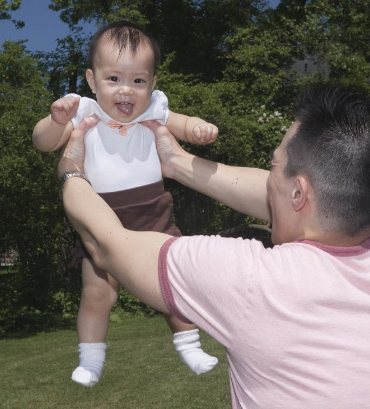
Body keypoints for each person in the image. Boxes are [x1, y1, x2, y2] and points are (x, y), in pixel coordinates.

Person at [57, 85, 370, 408]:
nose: (267, 178)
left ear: (299, 191)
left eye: (273, 167)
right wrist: (176, 162)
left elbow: (108, 243)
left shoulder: (254, 281)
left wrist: (72, 171)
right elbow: (309, 202)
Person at [32, 21, 219, 387]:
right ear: (91, 79)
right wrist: (55, 121)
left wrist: (197, 127)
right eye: (114, 78)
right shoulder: (84, 112)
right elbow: (44, 143)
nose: (126, 90)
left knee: (172, 284)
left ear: (151, 83)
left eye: (138, 81)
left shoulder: (153, 110)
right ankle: (90, 359)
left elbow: (180, 124)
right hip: (100, 215)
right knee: (98, 293)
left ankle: (190, 345)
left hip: (153, 210)